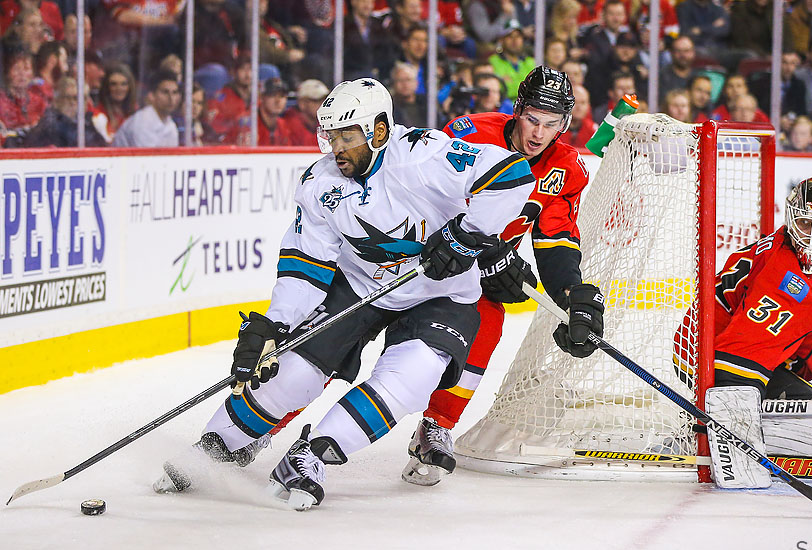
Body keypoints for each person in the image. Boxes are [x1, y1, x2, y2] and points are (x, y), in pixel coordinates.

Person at [153, 77, 535, 510]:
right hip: (360, 285)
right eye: (330, 135)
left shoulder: (424, 156)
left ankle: (310, 455)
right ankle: (220, 445)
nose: (336, 147)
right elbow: (304, 262)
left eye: (347, 135)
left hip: (441, 293)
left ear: (379, 130)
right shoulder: (319, 184)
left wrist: (465, 238)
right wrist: (276, 324)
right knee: (293, 371)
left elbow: (511, 175)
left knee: (413, 376)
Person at [402, 66, 603, 486]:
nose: (538, 133)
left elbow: (556, 243)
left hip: (472, 277)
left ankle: (436, 425)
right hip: (418, 257)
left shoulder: (565, 167)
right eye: (532, 118)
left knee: (487, 325)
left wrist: (572, 294)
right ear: (517, 111)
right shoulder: (468, 134)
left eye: (551, 124)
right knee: (344, 330)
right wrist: (487, 250)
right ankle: (268, 420)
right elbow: (423, 198)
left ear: (564, 124)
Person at [696, 177, 812, 488]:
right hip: (703, 353)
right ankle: (708, 432)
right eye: (804, 223)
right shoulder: (781, 278)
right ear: (791, 219)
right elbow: (732, 365)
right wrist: (738, 443)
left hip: (761, 349)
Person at [23, 76, 106, 147]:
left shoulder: (88, 124)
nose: (73, 103)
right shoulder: (49, 125)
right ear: (57, 101)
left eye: (80, 98)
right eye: (69, 97)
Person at [112, 69, 180, 147]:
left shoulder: (170, 124)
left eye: (175, 92)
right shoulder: (141, 122)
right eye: (165, 92)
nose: (171, 98)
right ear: (152, 95)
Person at [488, 22, 535, 102]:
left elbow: (535, 91)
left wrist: (509, 83)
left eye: (518, 36)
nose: (514, 40)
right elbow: (501, 92)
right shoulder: (493, 62)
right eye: (510, 36)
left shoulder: (531, 62)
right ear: (502, 40)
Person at [91, 62, 137, 144]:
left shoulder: (135, 113)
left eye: (124, 84)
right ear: (107, 87)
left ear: (130, 87)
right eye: (113, 84)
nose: (119, 88)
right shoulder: (98, 115)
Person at [284, 78, 329, 146]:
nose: (323, 104)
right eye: (317, 100)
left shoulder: (325, 124)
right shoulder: (287, 126)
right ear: (302, 103)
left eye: (325, 100)